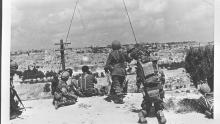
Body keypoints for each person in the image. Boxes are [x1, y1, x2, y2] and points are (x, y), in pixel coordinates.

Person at [136, 56, 166, 124]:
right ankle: (161, 117)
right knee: (158, 107)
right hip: (158, 90)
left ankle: (142, 117)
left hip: (147, 91)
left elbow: (138, 82)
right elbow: (163, 80)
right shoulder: (159, 71)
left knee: (145, 109)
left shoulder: (143, 72)